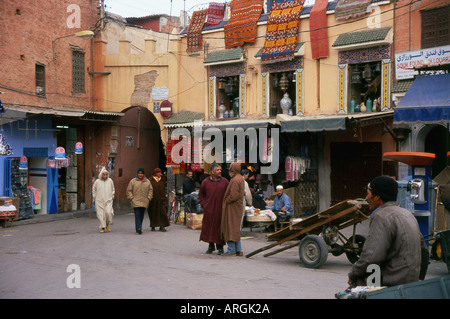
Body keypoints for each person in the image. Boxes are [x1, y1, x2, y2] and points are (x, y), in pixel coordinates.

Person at [348, 176, 429, 287]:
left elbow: (371, 257)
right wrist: (418, 280)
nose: (366, 198)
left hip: (390, 283)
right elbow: (424, 253)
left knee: (354, 288)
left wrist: (353, 275)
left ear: (377, 197)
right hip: (410, 283)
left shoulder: (381, 216)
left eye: (368, 194)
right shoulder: (407, 214)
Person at [199, 164, 229, 255]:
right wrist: (204, 204)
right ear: (212, 172)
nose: (220, 171)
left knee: (219, 228)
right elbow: (201, 195)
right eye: (217, 170)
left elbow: (229, 194)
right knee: (209, 228)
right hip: (209, 210)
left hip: (221, 210)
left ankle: (220, 247)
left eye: (220, 170)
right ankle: (211, 246)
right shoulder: (205, 182)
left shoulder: (225, 182)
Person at [221, 162, 245, 256]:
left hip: (232, 207)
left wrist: (226, 200)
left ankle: (231, 250)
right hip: (237, 207)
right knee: (235, 229)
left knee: (230, 228)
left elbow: (233, 196)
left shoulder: (234, 180)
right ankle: (238, 250)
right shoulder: (240, 178)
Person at [126, 168, 153, 234]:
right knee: (137, 214)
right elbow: (129, 190)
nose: (140, 175)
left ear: (143, 174)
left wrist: (149, 197)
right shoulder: (133, 181)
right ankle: (138, 228)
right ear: (137, 174)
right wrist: (131, 197)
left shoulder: (147, 181)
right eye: (139, 173)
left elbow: (150, 190)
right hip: (135, 201)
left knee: (141, 215)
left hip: (144, 201)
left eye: (141, 174)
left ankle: (139, 226)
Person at [92, 167, 115, 233]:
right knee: (100, 214)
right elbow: (94, 189)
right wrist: (95, 196)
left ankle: (107, 224)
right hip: (99, 200)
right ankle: (102, 227)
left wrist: (112, 195)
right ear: (101, 175)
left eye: (106, 175)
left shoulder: (110, 181)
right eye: (104, 175)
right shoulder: (97, 182)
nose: (105, 176)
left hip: (108, 200)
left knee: (109, 213)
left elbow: (113, 189)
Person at [148, 168, 170, 232]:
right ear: (155, 173)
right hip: (153, 200)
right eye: (158, 173)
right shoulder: (150, 180)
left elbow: (165, 187)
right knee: (153, 213)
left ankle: (162, 226)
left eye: (160, 172)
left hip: (161, 199)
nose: (160, 174)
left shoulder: (162, 180)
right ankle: (153, 225)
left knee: (162, 212)